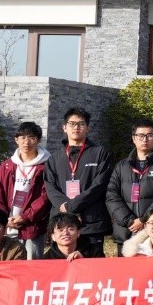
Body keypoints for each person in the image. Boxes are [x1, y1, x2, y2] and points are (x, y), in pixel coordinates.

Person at [45, 107, 112, 257]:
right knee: (60, 266)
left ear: (88, 128)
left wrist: (71, 206)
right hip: (62, 224)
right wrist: (68, 209)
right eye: (72, 124)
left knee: (92, 265)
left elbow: (99, 185)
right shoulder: (54, 158)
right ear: (64, 127)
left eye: (81, 124)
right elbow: (50, 187)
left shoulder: (99, 153)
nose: (76, 127)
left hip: (91, 222)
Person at [105, 118, 153, 256]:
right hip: (126, 232)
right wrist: (129, 221)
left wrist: (144, 220)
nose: (145, 139)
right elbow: (111, 196)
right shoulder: (121, 166)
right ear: (134, 138)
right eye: (140, 135)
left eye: (149, 135)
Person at [36, 212, 94, 305]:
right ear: (53, 236)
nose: (65, 233)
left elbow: (104, 279)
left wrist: (85, 262)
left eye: (71, 228)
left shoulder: (93, 251)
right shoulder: (46, 259)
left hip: (86, 302)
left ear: (78, 232)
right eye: (60, 230)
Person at [0, 121, 51, 260]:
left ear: (38, 140)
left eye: (31, 137)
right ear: (16, 140)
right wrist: (2, 219)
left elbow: (45, 197)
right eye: (22, 137)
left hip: (32, 227)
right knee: (7, 265)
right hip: (7, 226)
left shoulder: (47, 166)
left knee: (31, 266)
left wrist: (25, 217)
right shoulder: (6, 166)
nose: (26, 142)